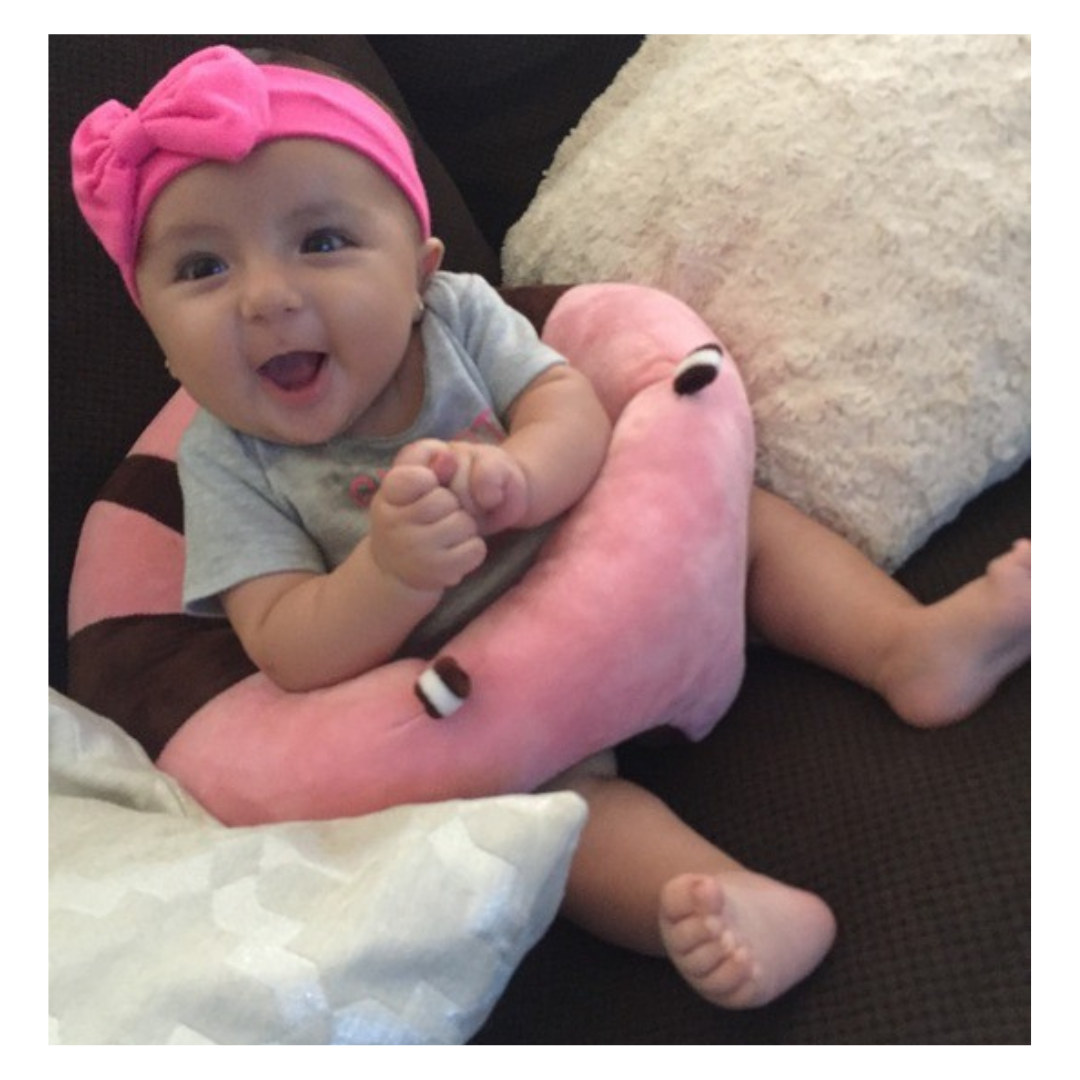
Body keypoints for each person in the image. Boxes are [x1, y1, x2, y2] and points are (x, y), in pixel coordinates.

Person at [71, 44, 1031, 1010]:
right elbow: (287, 645)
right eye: (202, 267)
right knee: (546, 815)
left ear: (418, 270)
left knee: (749, 526)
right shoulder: (222, 463)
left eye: (321, 242)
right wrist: (390, 576)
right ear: (159, 335)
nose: (267, 297)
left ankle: (906, 646)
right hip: (494, 693)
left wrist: (525, 473)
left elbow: (571, 406)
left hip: (609, 565)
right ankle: (716, 895)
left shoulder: (458, 318)